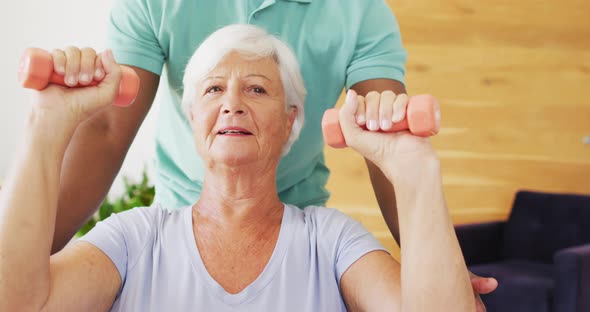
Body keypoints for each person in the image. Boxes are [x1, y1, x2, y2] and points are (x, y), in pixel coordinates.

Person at [49, 0, 496, 308]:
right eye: (214, 89)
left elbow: (387, 138)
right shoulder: (135, 242)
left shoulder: (360, 12)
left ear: (291, 119)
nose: (233, 106)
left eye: (258, 89)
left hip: (301, 234)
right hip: (175, 219)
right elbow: (106, 129)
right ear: (191, 112)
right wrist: (30, 256)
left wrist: (440, 268)